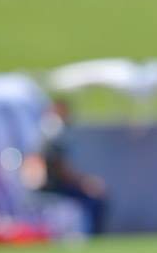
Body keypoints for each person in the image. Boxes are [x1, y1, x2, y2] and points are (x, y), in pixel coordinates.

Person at [36, 100, 109, 235]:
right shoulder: (52, 133)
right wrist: (84, 183)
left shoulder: (46, 134)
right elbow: (61, 170)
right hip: (54, 188)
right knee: (93, 200)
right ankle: (92, 235)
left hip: (54, 187)